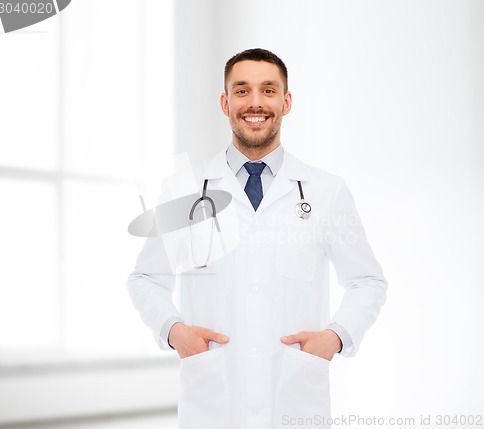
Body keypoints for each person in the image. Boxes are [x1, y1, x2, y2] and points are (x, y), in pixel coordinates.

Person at [127, 48, 387, 429]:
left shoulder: (327, 192)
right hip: (212, 403)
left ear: (286, 101)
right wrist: (174, 331)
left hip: (295, 399)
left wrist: (336, 337)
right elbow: (146, 278)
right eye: (242, 90)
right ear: (225, 101)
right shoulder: (183, 189)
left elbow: (367, 281)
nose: (255, 103)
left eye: (268, 90)